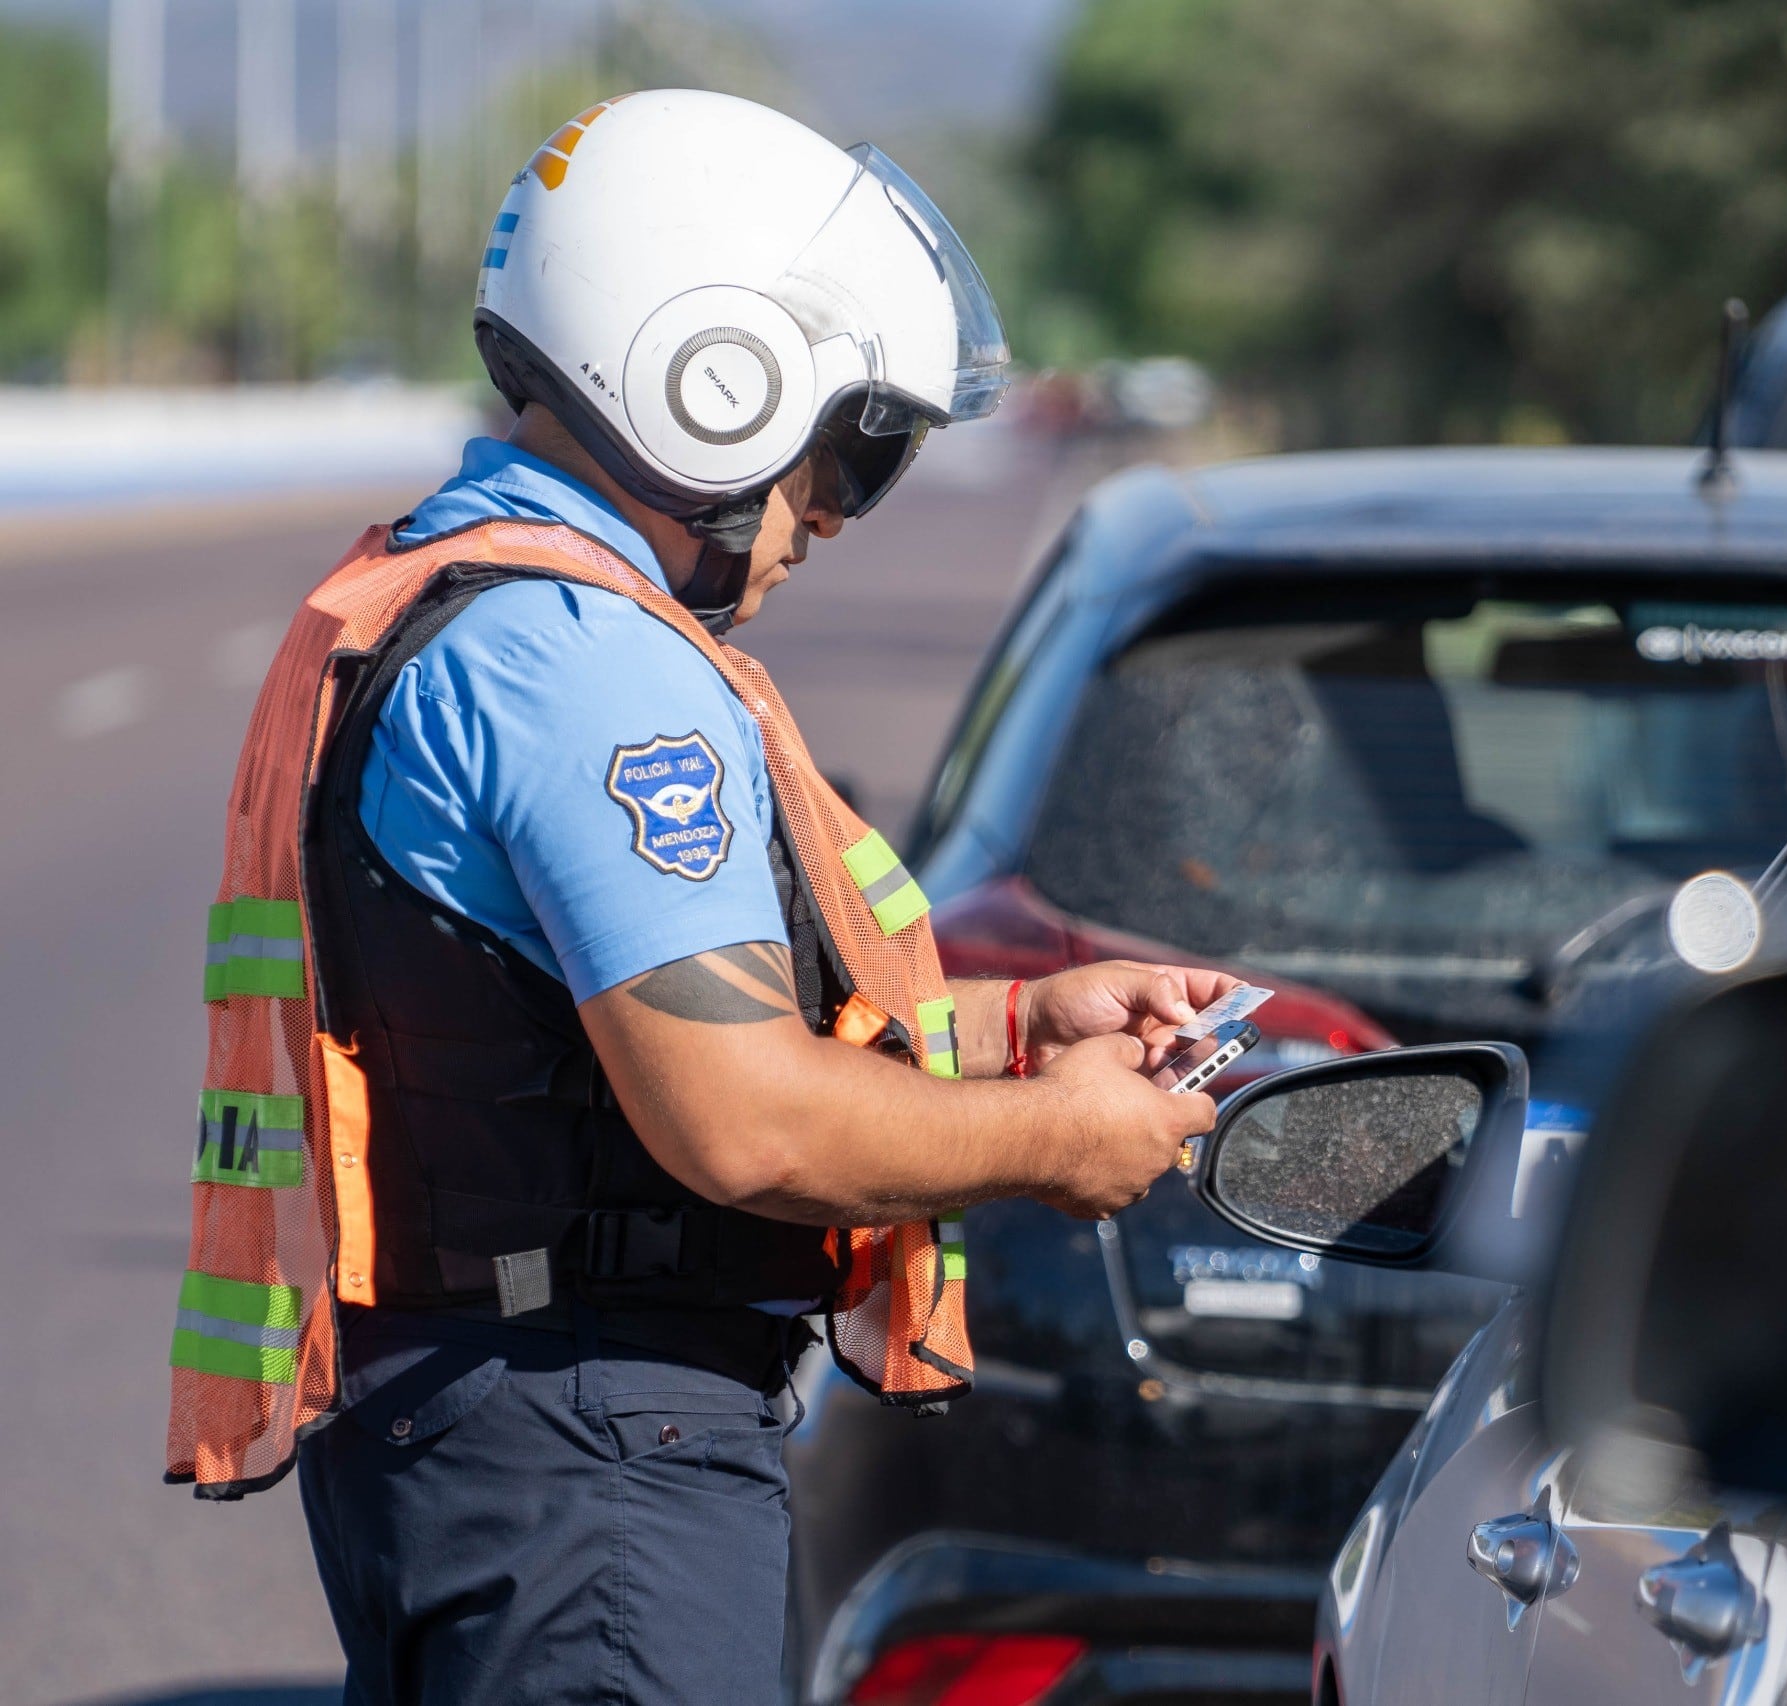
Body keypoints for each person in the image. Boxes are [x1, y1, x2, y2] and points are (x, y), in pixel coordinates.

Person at [167, 90, 1226, 1704]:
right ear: (711, 380)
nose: (838, 516)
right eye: (856, 447)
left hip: (487, 1422)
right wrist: (1056, 1138)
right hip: (595, 1452)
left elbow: (571, 1008)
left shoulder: (438, 601)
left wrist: (1007, 1021)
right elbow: (747, 1123)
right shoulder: (594, 671)